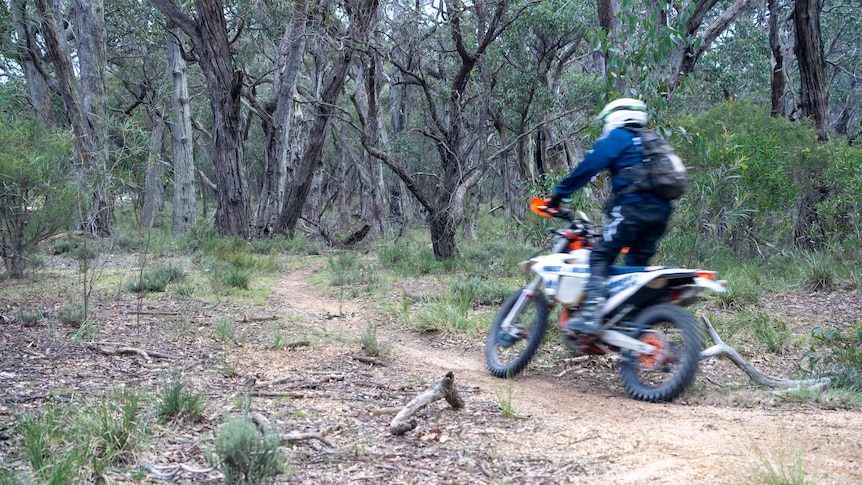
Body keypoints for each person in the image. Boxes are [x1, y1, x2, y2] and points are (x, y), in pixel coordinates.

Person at [544, 98, 672, 336]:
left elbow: (587, 168)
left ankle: (591, 317)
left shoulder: (618, 138)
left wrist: (558, 196)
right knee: (634, 269)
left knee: (600, 256)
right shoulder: (653, 140)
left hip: (631, 210)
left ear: (616, 116)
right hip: (661, 214)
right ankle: (629, 324)